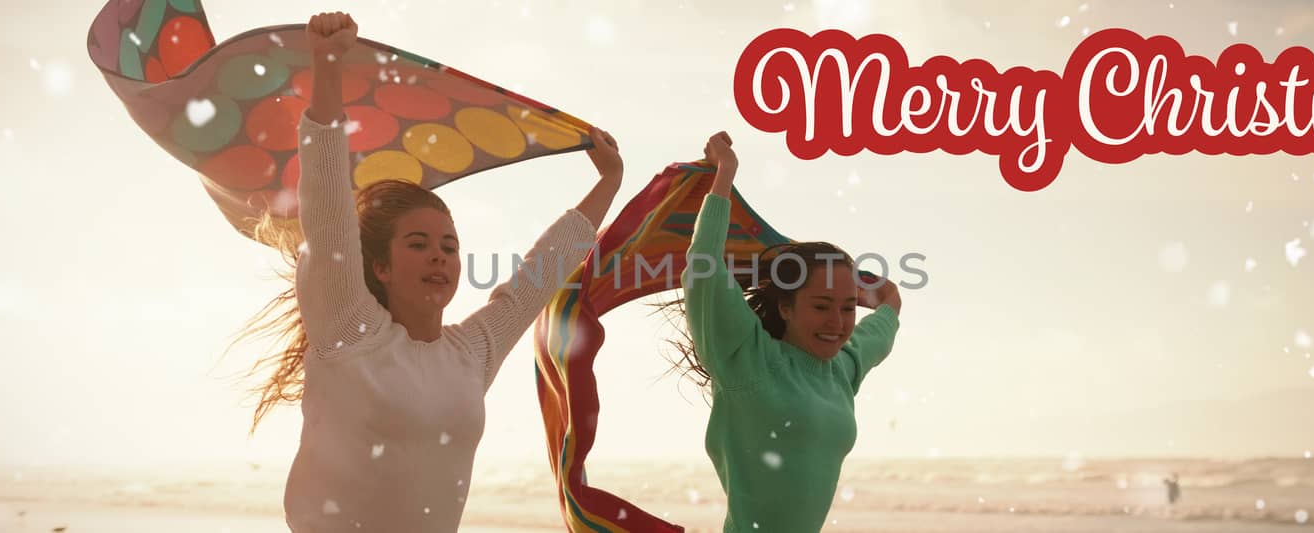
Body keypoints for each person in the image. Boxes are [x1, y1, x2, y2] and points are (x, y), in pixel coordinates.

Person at [234, 12, 624, 531]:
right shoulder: (350, 329)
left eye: (449, 246)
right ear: (380, 265)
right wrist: (328, 66)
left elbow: (536, 280)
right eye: (418, 244)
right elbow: (328, 211)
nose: (439, 256)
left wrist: (609, 183)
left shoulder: (472, 352)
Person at [670, 131, 902, 532]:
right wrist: (725, 172)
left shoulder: (844, 367)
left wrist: (876, 290)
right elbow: (704, 261)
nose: (838, 323)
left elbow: (889, 308)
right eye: (821, 306)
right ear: (785, 307)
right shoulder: (746, 356)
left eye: (847, 309)